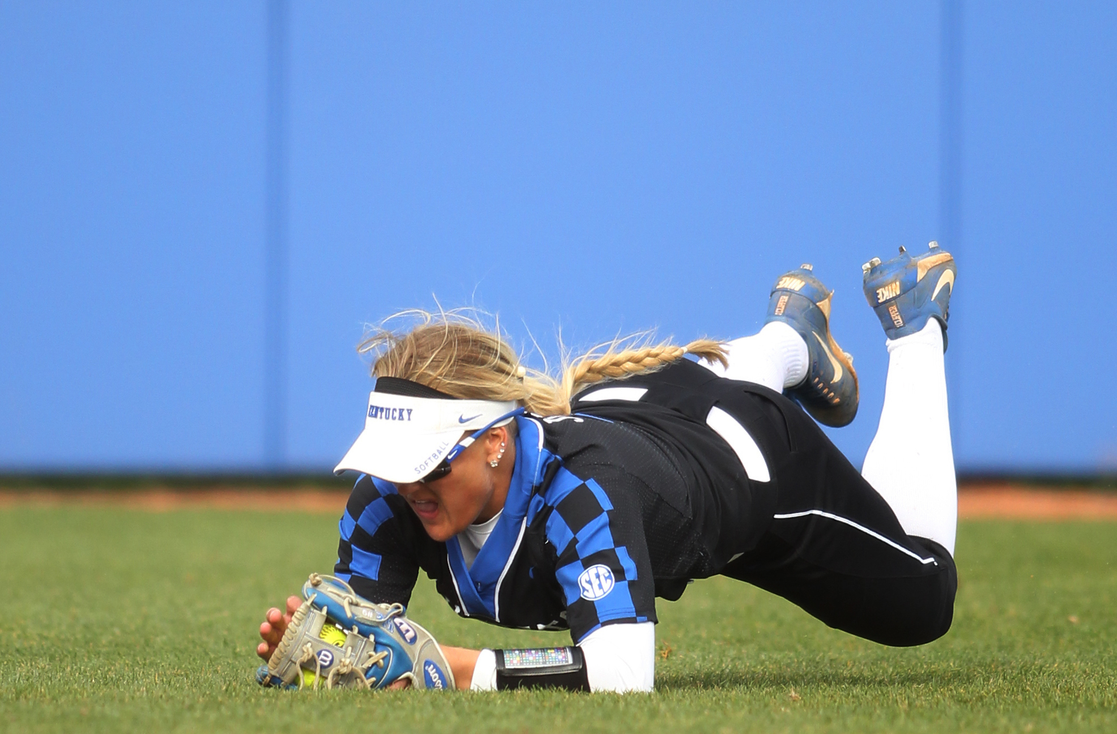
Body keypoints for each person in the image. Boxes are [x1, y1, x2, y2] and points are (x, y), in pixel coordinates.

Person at [256, 243, 959, 693]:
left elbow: (623, 674)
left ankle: (915, 331)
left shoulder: (581, 493)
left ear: (495, 440)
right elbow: (365, 637)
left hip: (748, 467)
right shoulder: (386, 500)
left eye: (429, 463)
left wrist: (451, 667)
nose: (408, 485)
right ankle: (786, 338)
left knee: (924, 603)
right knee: (693, 401)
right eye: (395, 463)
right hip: (635, 405)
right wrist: (323, 652)